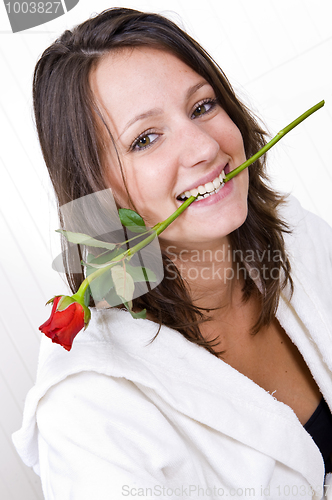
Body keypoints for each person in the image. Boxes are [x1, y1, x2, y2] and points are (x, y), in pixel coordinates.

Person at [12, 7, 332, 499]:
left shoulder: (295, 234)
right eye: (145, 139)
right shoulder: (89, 409)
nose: (204, 147)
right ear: (98, 191)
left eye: (202, 106)